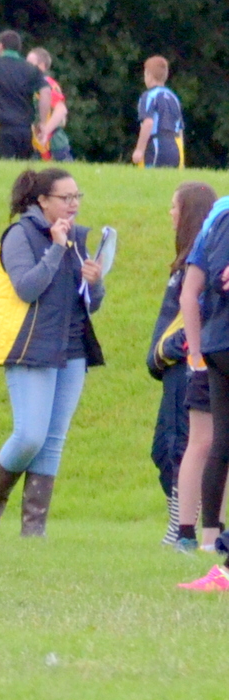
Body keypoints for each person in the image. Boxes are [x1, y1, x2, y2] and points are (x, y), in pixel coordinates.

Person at [0, 168, 105, 538]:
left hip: (73, 347)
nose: (74, 204)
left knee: (52, 440)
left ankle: (34, 530)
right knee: (30, 435)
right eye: (66, 198)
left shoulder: (77, 237)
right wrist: (56, 248)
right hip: (30, 346)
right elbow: (27, 288)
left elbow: (90, 303)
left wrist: (95, 283)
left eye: (77, 197)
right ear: (42, 201)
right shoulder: (20, 235)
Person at [153, 183, 218, 551]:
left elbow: (195, 307)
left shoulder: (205, 249)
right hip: (184, 363)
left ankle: (187, 529)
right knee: (170, 447)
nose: (171, 214)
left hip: (194, 362)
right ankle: (188, 527)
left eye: (175, 206)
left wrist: (178, 350)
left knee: (188, 445)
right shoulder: (188, 257)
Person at [181, 190, 229, 555]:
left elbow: (190, 291)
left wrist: (197, 351)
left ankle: (210, 537)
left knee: (219, 442)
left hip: (215, 343)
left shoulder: (215, 221)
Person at [0, 30, 52, 160]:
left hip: (0, 128)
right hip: (25, 131)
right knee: (22, 170)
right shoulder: (31, 69)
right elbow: (46, 92)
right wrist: (42, 122)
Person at [133, 56, 185, 169]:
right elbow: (180, 128)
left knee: (149, 178)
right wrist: (182, 156)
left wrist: (139, 150)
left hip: (157, 145)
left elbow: (148, 122)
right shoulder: (174, 98)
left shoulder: (149, 96)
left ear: (148, 74)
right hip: (175, 147)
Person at [26, 48, 72, 161]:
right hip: (35, 144)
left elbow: (61, 110)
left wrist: (45, 131)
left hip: (54, 144)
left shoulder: (47, 84)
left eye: (30, 63)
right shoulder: (29, 86)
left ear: (41, 66)